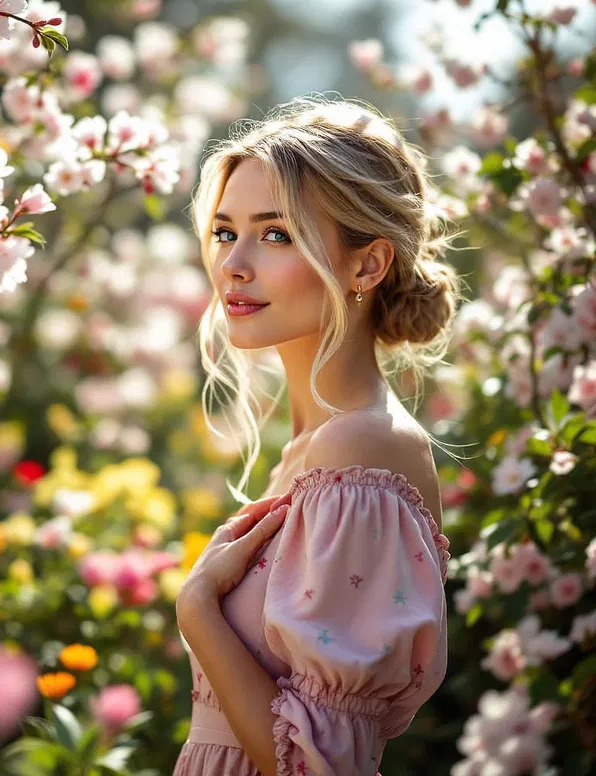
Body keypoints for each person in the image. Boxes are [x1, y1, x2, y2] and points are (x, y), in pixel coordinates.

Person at [172, 95, 460, 776]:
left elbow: (317, 767)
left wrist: (198, 611)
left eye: (277, 234)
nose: (234, 265)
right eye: (223, 231)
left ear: (366, 266)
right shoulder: (310, 449)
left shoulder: (361, 449)